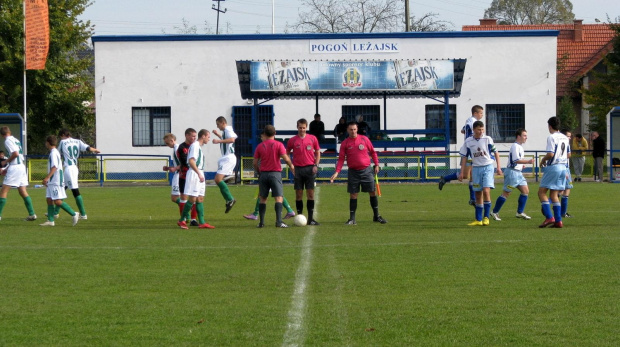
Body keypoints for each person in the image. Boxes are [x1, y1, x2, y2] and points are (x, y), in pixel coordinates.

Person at [330, 121, 387, 225]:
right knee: (353, 194)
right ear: (347, 130)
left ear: (357, 129)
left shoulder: (364, 139)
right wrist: (337, 172)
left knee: (372, 192)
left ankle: (376, 216)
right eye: (351, 129)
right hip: (353, 172)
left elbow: (373, 152)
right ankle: (352, 219)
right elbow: (341, 159)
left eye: (354, 129)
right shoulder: (345, 143)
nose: (353, 131)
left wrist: (377, 164)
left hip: (366, 170)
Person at [439, 105, 484, 207]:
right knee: (464, 175)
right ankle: (445, 179)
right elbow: (469, 134)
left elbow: (463, 130)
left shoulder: (469, 120)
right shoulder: (473, 122)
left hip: (471, 150)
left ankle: (473, 199)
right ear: (475, 113)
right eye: (481, 113)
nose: (482, 115)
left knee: (472, 176)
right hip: (469, 150)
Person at [458, 120, 502, 226]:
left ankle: (486, 217)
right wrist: (461, 172)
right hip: (476, 168)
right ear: (474, 130)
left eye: (482, 129)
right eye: (479, 129)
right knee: (477, 194)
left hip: (487, 167)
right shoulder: (468, 141)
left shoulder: (487, 139)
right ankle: (478, 219)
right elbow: (464, 157)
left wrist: (499, 167)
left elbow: (496, 153)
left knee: (486, 191)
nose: (481, 131)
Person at [244, 130, 295, 220]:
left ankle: (257, 215)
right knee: (277, 195)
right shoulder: (277, 145)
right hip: (275, 174)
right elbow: (286, 158)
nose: (261, 138)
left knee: (265, 195)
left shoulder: (261, 146)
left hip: (266, 174)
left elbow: (255, 163)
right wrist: (291, 166)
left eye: (262, 137)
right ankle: (288, 210)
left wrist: (259, 172)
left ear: (265, 135)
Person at [490, 128, 533, 221]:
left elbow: (517, 161)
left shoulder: (520, 147)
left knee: (525, 191)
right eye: (524, 135)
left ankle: (520, 212)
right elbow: (515, 160)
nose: (526, 137)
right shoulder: (515, 146)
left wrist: (522, 166)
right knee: (506, 193)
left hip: (518, 173)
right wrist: (528, 161)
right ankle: (494, 212)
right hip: (512, 173)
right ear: (518, 136)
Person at [58, 128, 100, 220]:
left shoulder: (63, 142)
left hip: (69, 168)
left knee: (75, 191)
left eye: (61, 137)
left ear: (63, 135)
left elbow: (57, 153)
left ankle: (83, 214)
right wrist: (95, 150)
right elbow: (88, 148)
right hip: (74, 168)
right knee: (62, 188)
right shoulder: (77, 141)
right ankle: (55, 213)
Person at [177, 129, 215, 230]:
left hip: (199, 172)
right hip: (194, 174)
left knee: (200, 198)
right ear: (203, 136)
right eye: (208, 137)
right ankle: (181, 220)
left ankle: (202, 222)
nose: (209, 139)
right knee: (192, 198)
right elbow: (191, 161)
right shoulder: (195, 146)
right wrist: (198, 173)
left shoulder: (198, 147)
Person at [39, 135, 80, 227]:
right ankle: (50, 220)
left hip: (55, 180)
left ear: (48, 143)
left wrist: (47, 178)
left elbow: (55, 167)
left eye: (46, 142)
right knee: (49, 199)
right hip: (53, 181)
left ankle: (74, 214)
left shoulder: (53, 153)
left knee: (57, 201)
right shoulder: (55, 152)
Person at [287, 118, 321, 225]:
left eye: (304, 128)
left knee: (310, 193)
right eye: (300, 128)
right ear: (297, 127)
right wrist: (291, 165)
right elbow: (286, 153)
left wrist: (316, 165)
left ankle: (311, 219)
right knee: (299, 194)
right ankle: (300, 216)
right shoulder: (292, 140)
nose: (302, 130)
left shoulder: (312, 138)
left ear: (306, 128)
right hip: (298, 169)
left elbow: (318, 152)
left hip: (310, 169)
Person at [538, 117, 570, 228]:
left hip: (554, 167)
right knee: (554, 194)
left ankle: (549, 217)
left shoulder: (551, 137)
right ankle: (558, 221)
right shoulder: (565, 138)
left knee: (541, 192)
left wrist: (542, 160)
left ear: (550, 126)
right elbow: (568, 154)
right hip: (563, 167)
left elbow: (550, 154)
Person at [0, 127, 37, 221]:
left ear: (2, 135)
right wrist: (7, 168)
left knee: (4, 191)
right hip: (21, 166)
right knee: (22, 191)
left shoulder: (7, 141)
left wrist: (5, 162)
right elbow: (18, 156)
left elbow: (15, 154)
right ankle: (32, 214)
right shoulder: (16, 140)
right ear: (10, 131)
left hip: (15, 168)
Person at [212, 116, 237, 213]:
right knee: (218, 180)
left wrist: (218, 140)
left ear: (223, 123)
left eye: (218, 124)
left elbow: (231, 140)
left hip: (228, 158)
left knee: (218, 179)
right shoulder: (225, 131)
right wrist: (218, 135)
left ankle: (230, 199)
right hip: (227, 158)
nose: (218, 126)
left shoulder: (227, 129)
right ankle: (228, 200)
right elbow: (226, 140)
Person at [176, 128, 199, 225]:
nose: (194, 138)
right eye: (192, 136)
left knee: (195, 197)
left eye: (195, 136)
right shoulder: (182, 147)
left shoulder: (195, 146)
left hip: (194, 175)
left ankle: (193, 219)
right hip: (184, 175)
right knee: (184, 197)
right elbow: (185, 162)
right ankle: (184, 219)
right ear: (187, 135)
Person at [163, 133, 181, 206]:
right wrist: (169, 168)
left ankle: (188, 207)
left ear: (172, 140)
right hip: (179, 173)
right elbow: (178, 163)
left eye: (167, 143)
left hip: (179, 175)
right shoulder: (176, 148)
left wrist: (175, 169)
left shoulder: (177, 149)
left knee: (174, 198)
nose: (167, 145)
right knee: (179, 197)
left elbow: (184, 162)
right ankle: (185, 216)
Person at [559, 129, 573, 219]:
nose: (570, 138)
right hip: (565, 168)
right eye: (568, 136)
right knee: (568, 188)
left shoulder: (559, 142)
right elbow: (568, 155)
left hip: (559, 167)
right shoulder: (565, 143)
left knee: (560, 190)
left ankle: (548, 203)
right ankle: (563, 212)